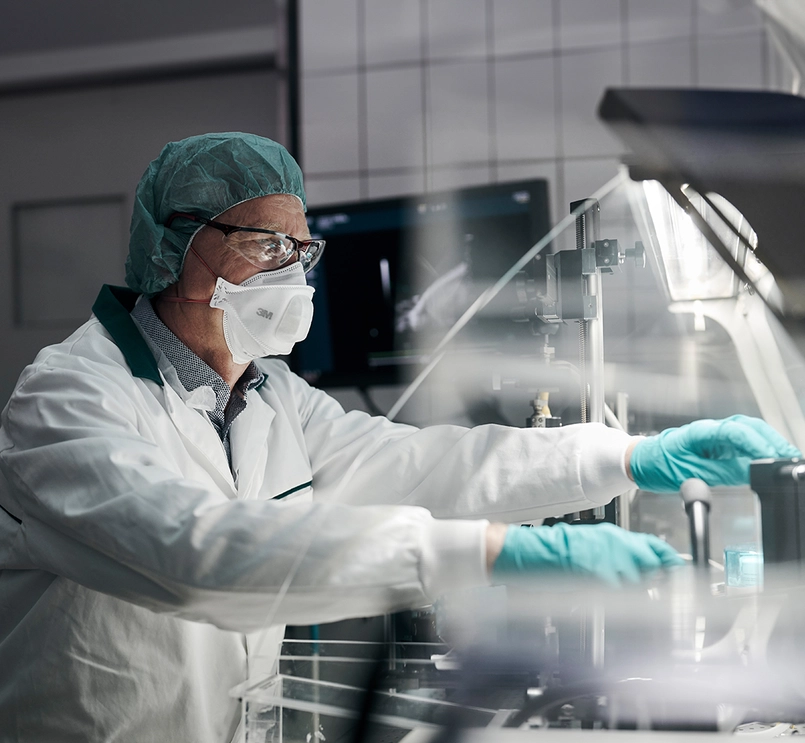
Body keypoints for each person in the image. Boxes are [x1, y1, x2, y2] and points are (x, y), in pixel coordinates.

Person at [0, 132, 798, 743]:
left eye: (300, 248)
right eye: (264, 245)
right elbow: (198, 554)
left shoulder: (270, 393)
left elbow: (420, 463)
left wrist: (621, 457)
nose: (294, 271)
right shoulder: (68, 398)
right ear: (177, 249)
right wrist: (491, 553)